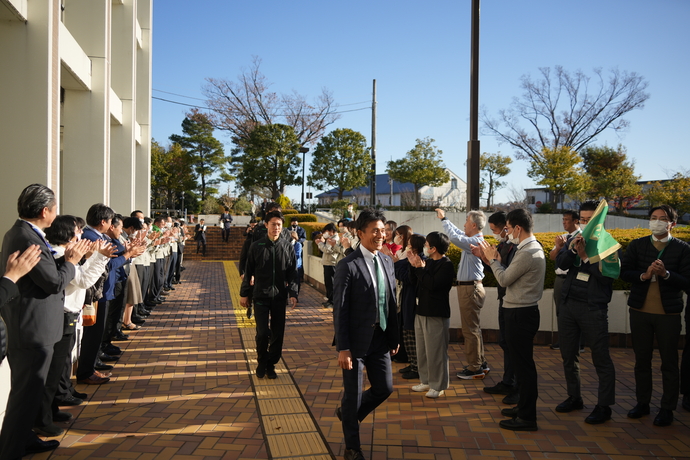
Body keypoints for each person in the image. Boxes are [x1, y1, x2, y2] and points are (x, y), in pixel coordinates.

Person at [0, 184, 89, 458]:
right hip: (32, 330)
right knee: (24, 397)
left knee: (28, 395)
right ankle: (11, 449)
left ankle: (25, 438)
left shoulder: (24, 233)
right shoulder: (27, 237)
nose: (56, 213)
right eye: (55, 208)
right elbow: (53, 282)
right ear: (45, 211)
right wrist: (72, 261)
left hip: (34, 326)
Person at [333, 208, 399, 460]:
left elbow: (390, 302)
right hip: (355, 342)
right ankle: (352, 448)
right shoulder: (347, 266)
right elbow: (340, 309)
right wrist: (343, 348)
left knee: (385, 388)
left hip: (381, 338)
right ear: (360, 233)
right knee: (353, 393)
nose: (381, 235)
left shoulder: (385, 260)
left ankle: (349, 413)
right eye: (375, 231)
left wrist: (394, 338)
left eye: (383, 231)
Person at [476, 208, 545, 431]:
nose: (506, 233)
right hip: (518, 311)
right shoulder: (525, 248)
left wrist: (492, 261)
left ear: (517, 228)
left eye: (507, 228)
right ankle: (523, 408)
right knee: (520, 365)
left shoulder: (528, 251)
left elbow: (504, 279)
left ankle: (527, 417)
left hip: (521, 313)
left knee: (524, 368)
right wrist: (494, 260)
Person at [620, 205, 690, 427]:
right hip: (640, 312)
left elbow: (687, 282)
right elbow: (624, 273)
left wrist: (666, 274)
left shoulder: (683, 249)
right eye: (653, 218)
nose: (657, 222)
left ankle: (667, 408)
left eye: (662, 219)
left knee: (669, 362)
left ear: (672, 224)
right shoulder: (638, 245)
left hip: (668, 314)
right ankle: (642, 403)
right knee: (642, 361)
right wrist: (645, 274)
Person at [554, 200, 617, 424]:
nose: (585, 224)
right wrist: (572, 250)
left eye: (590, 220)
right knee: (568, 355)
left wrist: (584, 257)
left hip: (593, 308)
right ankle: (574, 397)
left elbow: (608, 277)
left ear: (600, 222)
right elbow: (560, 264)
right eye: (583, 220)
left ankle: (604, 406)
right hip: (570, 304)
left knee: (601, 358)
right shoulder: (574, 239)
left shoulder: (608, 244)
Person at [239, 211, 298, 379]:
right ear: (266, 225)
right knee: (263, 332)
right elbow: (248, 271)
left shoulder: (287, 247)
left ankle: (271, 364)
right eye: (273, 224)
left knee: (278, 333)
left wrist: (293, 293)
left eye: (279, 225)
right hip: (260, 297)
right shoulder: (256, 246)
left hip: (279, 297)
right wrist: (244, 294)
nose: (276, 228)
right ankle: (261, 361)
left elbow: (293, 273)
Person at [436, 208, 488, 379]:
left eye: (466, 221)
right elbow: (458, 233)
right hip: (471, 287)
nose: (464, 224)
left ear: (473, 225)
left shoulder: (473, 242)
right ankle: (480, 363)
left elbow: (454, 237)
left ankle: (475, 368)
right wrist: (446, 219)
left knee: (470, 329)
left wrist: (444, 220)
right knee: (474, 328)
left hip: (469, 289)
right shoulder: (474, 239)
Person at [476, 211, 519, 405]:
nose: (494, 233)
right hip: (505, 299)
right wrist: (486, 260)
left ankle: (516, 385)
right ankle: (508, 381)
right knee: (505, 342)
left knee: (514, 345)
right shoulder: (503, 245)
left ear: (506, 227)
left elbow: (508, 273)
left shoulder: (520, 248)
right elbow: (497, 271)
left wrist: (493, 261)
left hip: (516, 302)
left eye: (495, 230)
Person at [407, 231, 455, 398]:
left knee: (436, 351)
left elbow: (432, 285)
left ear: (434, 248)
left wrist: (420, 269)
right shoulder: (426, 262)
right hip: (421, 311)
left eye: (427, 244)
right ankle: (426, 380)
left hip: (436, 313)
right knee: (423, 350)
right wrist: (413, 265)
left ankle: (438, 385)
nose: (425, 247)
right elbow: (415, 282)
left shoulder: (446, 265)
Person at [386, 226, 418, 378]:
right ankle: (410, 361)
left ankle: (413, 363)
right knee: (403, 327)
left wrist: (394, 261)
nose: (397, 237)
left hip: (408, 295)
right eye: (396, 234)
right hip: (400, 293)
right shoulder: (402, 252)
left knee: (408, 329)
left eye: (401, 235)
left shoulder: (412, 257)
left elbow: (404, 274)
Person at [549, 210, 581, 350]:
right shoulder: (562, 238)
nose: (564, 222)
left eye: (567, 219)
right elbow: (551, 257)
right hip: (560, 279)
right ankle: (563, 341)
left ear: (576, 221)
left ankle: (578, 343)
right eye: (563, 219)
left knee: (577, 311)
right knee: (560, 311)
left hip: (574, 278)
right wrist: (558, 247)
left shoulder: (581, 237)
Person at [316, 223, 345, 309]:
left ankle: (332, 301)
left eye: (326, 231)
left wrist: (320, 243)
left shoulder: (334, 239)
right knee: (328, 283)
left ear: (331, 231)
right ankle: (330, 300)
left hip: (331, 263)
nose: (325, 233)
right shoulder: (330, 238)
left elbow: (327, 250)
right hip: (328, 263)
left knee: (331, 283)